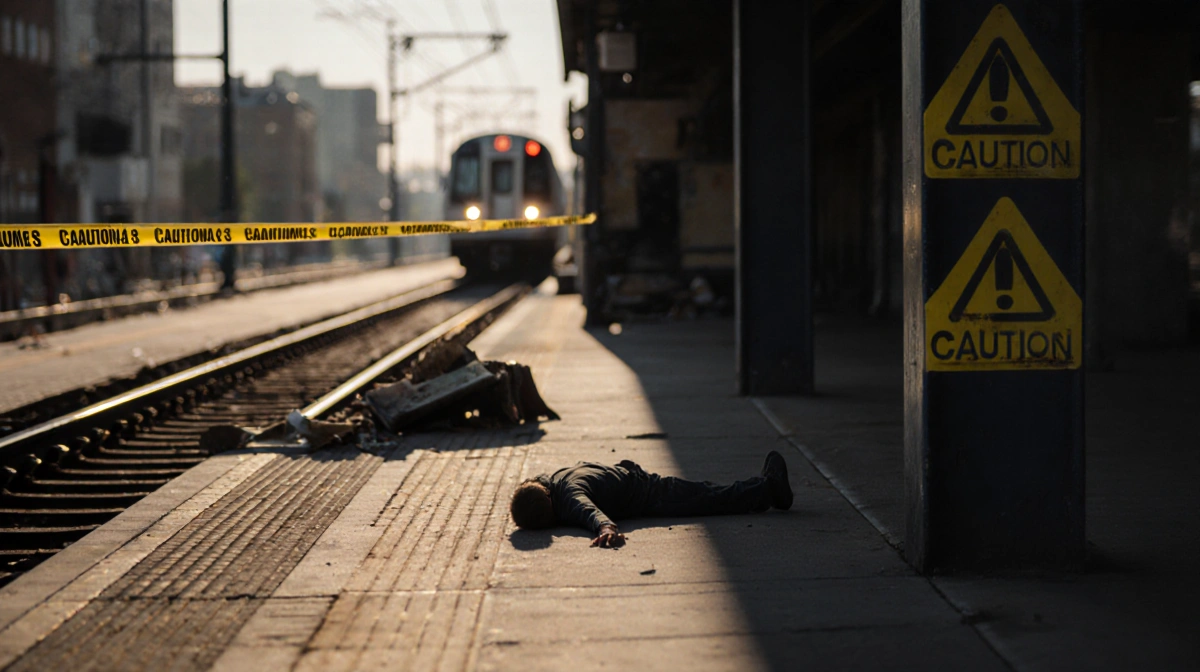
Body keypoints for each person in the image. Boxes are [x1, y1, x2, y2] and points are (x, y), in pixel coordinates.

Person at [510, 450, 793, 548]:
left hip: (640, 487)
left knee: (706, 494)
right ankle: (767, 490)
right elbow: (589, 505)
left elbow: (585, 508)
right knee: (706, 493)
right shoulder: (558, 480)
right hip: (640, 485)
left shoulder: (565, 492)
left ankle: (768, 489)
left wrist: (606, 527)